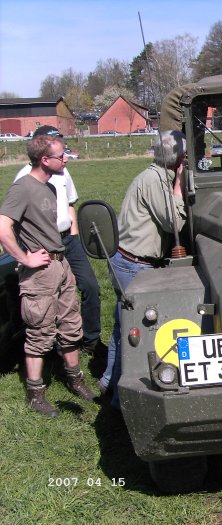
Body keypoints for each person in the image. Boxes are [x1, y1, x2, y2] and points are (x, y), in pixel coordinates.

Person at [0, 134, 97, 417]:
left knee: (70, 324)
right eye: (61, 155)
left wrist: (64, 267)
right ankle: (35, 393)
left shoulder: (50, 188)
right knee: (40, 331)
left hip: (60, 263)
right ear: (45, 160)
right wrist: (25, 257)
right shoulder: (23, 188)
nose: (65, 159)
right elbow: (3, 227)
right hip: (39, 272)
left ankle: (75, 379)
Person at [100, 130, 187, 409]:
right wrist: (179, 186)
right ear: (179, 159)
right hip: (133, 263)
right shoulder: (155, 180)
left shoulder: (156, 176)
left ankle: (109, 385)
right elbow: (173, 223)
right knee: (132, 329)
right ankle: (118, 397)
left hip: (130, 260)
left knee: (121, 327)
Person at [15, 126, 104, 354]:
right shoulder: (24, 180)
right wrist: (25, 254)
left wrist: (73, 234)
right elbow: (12, 223)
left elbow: (70, 203)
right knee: (50, 297)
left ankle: (91, 340)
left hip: (69, 241)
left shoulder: (63, 172)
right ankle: (53, 344)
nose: (64, 157)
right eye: (57, 149)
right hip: (42, 245)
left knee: (90, 287)